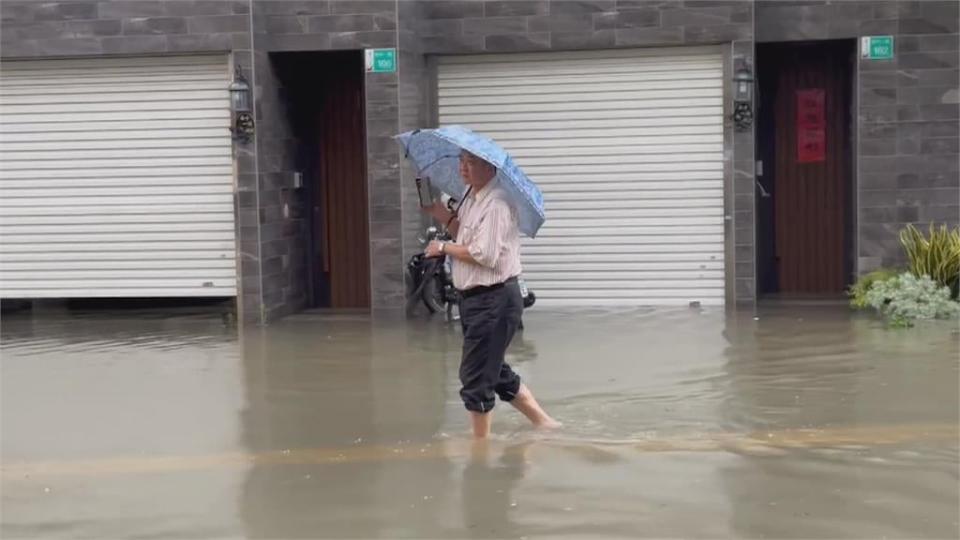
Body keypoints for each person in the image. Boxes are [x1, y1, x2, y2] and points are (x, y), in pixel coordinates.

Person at [423, 150, 560, 439]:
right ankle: (545, 424)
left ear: (489, 167)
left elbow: (485, 255)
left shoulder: (497, 203)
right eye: (461, 161)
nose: (463, 168)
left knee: (475, 375)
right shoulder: (471, 197)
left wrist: (442, 248)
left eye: (470, 163)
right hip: (475, 301)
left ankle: (480, 449)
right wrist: (442, 215)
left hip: (494, 300)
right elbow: (467, 237)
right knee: (491, 368)